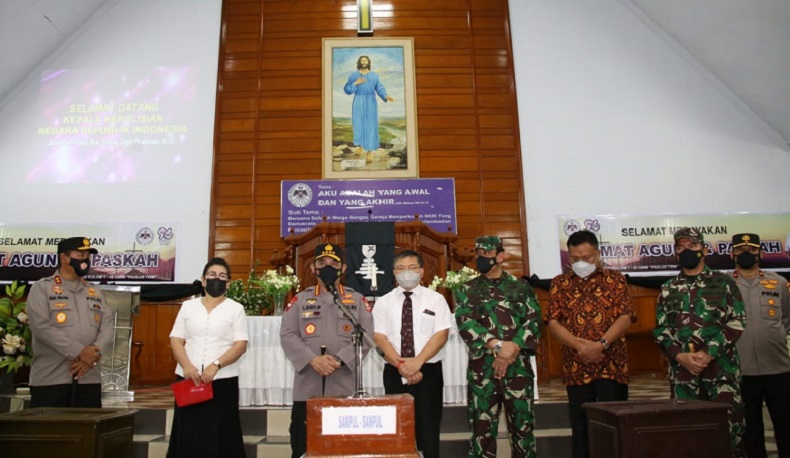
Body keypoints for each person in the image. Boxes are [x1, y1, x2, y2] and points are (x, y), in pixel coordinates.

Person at [653, 227, 746, 457]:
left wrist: (709, 353)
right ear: (675, 252)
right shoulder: (668, 289)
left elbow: (737, 321)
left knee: (729, 437)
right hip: (684, 376)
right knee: (687, 438)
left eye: (692, 246)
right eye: (681, 247)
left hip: (721, 372)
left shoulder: (724, 283)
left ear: (703, 249)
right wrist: (679, 356)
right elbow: (661, 330)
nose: (686, 250)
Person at [280, 243, 374, 458]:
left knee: (343, 446)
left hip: (343, 382)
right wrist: (313, 360)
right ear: (313, 268)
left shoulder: (356, 300)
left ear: (343, 268)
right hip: (308, 383)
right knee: (303, 443)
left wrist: (339, 359)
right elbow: (287, 334)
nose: (328, 267)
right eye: (322, 263)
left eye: (334, 263)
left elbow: (367, 335)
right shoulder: (300, 300)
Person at [548, 230, 636, 458]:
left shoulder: (615, 279)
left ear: (597, 254)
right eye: (575, 258)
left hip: (611, 364)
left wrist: (601, 344)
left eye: (586, 257)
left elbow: (625, 316)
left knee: (614, 425)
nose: (580, 262)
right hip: (576, 366)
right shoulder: (560, 283)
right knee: (581, 428)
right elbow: (553, 323)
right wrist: (581, 347)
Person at [455, 236, 541, 458]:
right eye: (478, 254)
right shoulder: (466, 289)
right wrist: (497, 345)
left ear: (500, 256)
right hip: (482, 371)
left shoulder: (521, 287)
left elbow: (533, 321)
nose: (481, 258)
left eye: (486, 254)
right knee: (481, 432)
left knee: (523, 431)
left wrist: (512, 348)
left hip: (517, 369)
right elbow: (465, 322)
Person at [373, 250, 452, 458]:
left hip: (428, 370)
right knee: (398, 428)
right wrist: (402, 365)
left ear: (422, 271)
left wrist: (418, 362)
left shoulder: (436, 299)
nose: (406, 272)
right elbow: (379, 338)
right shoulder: (384, 302)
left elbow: (441, 334)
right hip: (395, 370)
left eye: (412, 268)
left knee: (429, 429)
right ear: (393, 273)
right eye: (400, 268)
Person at [167, 257, 248, 458]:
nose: (216, 279)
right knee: (188, 430)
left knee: (222, 431)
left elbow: (240, 344)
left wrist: (216, 365)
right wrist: (187, 366)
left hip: (222, 380)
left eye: (222, 276)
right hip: (189, 379)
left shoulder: (235, 308)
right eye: (212, 275)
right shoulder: (188, 307)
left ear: (228, 283)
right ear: (203, 280)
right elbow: (176, 339)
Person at [26, 236, 113, 408]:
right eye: (80, 255)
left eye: (87, 256)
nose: (85, 260)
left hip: (88, 378)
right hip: (52, 378)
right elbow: (42, 328)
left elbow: (107, 325)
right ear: (64, 258)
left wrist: (92, 354)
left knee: (88, 425)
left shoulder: (94, 291)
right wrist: (79, 352)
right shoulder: (42, 288)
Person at [728, 233, 790, 458]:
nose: (747, 254)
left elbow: (786, 319)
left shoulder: (779, 282)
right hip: (741, 370)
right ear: (732, 254)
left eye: (752, 250)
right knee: (751, 432)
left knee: (786, 426)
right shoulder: (724, 284)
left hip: (778, 368)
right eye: (741, 250)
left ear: (760, 253)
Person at [343, 55, 395, 155]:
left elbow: (379, 87)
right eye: (362, 60)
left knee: (370, 125)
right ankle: (360, 146)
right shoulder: (354, 75)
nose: (364, 62)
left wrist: (385, 96)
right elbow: (347, 89)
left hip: (370, 101)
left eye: (365, 60)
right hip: (358, 100)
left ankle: (369, 152)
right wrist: (356, 83)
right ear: (359, 62)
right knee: (358, 124)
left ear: (368, 62)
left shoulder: (374, 76)